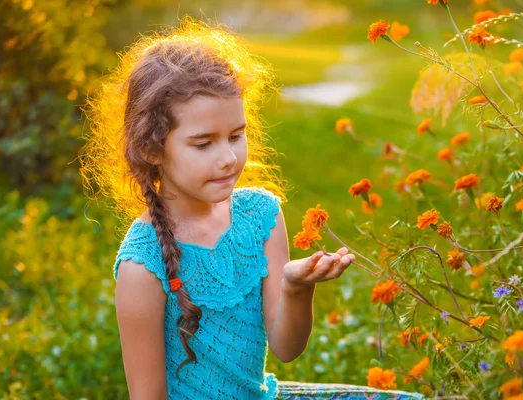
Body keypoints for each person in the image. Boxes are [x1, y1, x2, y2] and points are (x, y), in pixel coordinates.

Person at [80, 16, 426, 400]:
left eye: (235, 135)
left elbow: (287, 348)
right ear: (151, 149)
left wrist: (296, 287)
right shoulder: (142, 265)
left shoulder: (260, 217)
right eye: (203, 143)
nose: (228, 158)